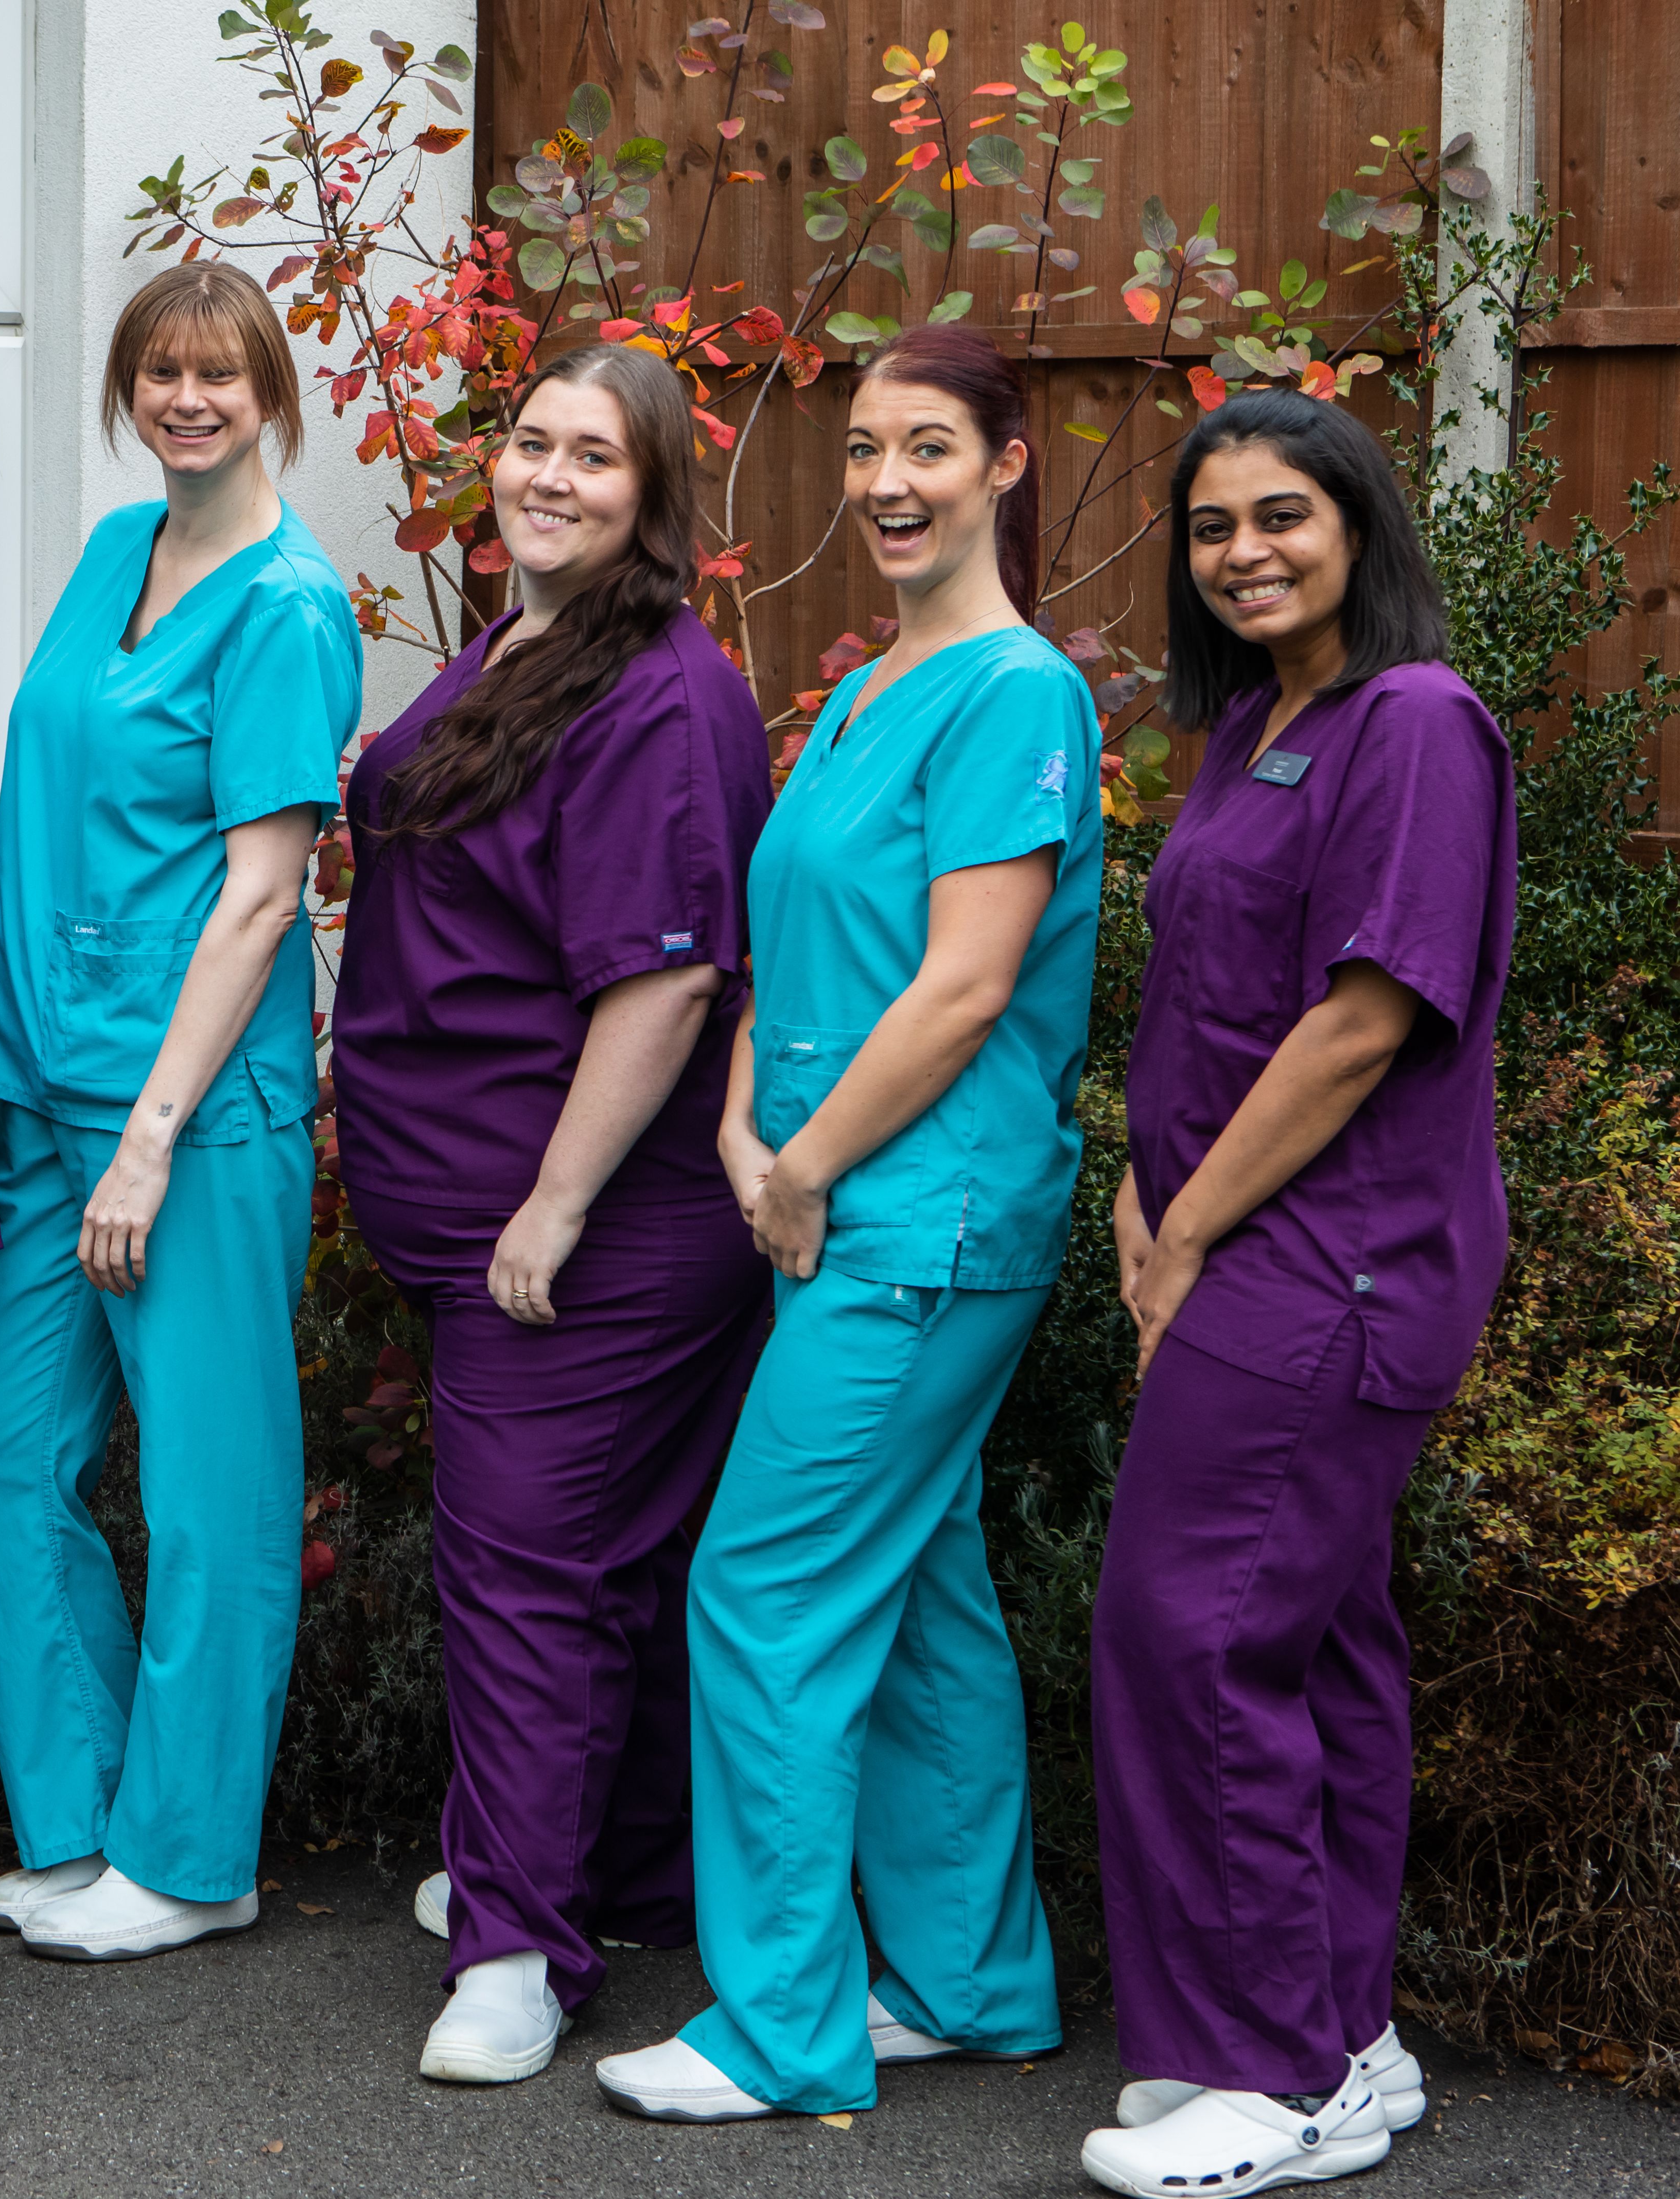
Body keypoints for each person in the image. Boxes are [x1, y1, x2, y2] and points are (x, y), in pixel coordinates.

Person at [596, 324, 1099, 2120]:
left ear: (1004, 467)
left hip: (919, 1222)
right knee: (922, 1590)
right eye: (868, 448)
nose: (887, 482)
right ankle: (969, 1981)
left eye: (928, 448)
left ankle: (781, 2027)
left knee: (763, 1592)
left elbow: (963, 988)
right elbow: (798, 949)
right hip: (834, 1199)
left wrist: (802, 1166)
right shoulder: (865, 690)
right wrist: (743, 1115)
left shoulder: (1014, 693)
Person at [1075, 391, 1511, 2195]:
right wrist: (1139, 1183)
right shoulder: (1258, 723)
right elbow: (1214, 997)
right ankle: (1341, 2034)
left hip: (1332, 1258)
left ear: (1357, 526)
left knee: (1191, 1631)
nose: (1243, 551)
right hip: (1245, 1239)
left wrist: (1183, 1229)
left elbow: (1360, 1020)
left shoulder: (1411, 721)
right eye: (1211, 526)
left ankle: (1275, 2073)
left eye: (1281, 516)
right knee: (1314, 1640)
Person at [327, 346, 774, 2083]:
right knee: (602, 1568)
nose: (551, 476)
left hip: (588, 1231)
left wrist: (553, 1204)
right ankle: (610, 1872)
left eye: (596, 456)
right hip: (482, 1210)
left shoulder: (658, 693)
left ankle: (517, 1949)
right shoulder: (521, 646)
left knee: (523, 1578)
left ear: (653, 499)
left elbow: (665, 981)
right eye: (531, 443)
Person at [0, 260, 363, 1963]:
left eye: (220, 374)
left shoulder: (286, 608)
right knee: (3, 1466)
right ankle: (85, 1822)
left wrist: (147, 1132)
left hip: (187, 1118)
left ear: (271, 394)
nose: (186, 400)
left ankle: (194, 1860)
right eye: (158, 373)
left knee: (212, 1491)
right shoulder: (114, 551)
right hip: (45, 1088)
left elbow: (263, 895)